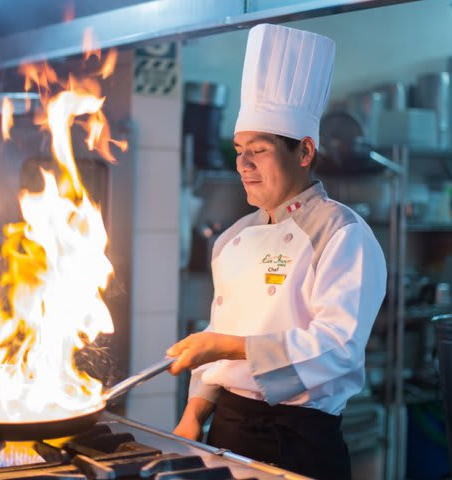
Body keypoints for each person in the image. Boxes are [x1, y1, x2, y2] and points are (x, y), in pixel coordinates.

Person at [166, 24, 387, 480]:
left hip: (300, 440)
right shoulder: (231, 240)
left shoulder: (343, 233)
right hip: (226, 432)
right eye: (239, 151)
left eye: (259, 151)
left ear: (304, 151)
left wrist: (224, 345)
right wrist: (194, 414)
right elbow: (220, 334)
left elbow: (338, 346)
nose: (243, 165)